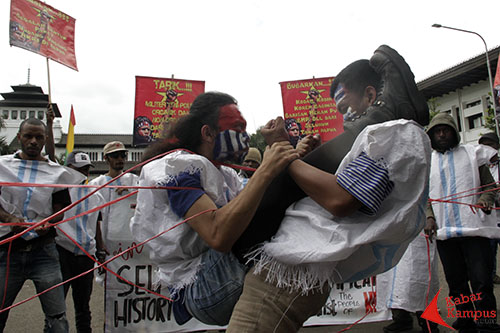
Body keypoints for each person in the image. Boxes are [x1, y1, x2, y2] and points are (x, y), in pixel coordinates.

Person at [227, 45, 431, 332]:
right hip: (287, 266)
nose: (345, 118)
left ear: (372, 96)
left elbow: (340, 198)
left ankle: (387, 109)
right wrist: (297, 157)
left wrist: (281, 154)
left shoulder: (392, 133)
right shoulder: (373, 139)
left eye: (347, 108)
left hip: (286, 273)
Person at [130, 92, 298, 326]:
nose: (246, 138)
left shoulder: (226, 174)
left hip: (218, 280)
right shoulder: (177, 168)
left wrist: (293, 155)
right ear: (208, 133)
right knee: (280, 190)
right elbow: (217, 234)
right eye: (237, 128)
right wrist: (267, 170)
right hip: (203, 287)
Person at [0, 118, 85, 332]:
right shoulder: (2, 166)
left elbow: (60, 207)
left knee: (57, 318)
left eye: (39, 137)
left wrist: (47, 222)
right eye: (28, 136)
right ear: (19, 137)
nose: (33, 141)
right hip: (7, 250)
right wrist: (9, 219)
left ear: (45, 139)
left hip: (44, 252)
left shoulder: (55, 172)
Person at [425, 113, 500, 332]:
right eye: (437, 131)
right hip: (445, 232)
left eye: (445, 130)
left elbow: (490, 186)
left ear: (454, 133)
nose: (441, 134)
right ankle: (465, 319)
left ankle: (486, 322)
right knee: (456, 282)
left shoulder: (471, 154)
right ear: (431, 135)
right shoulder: (428, 162)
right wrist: (429, 217)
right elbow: (425, 197)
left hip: (474, 229)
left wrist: (484, 200)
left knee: (481, 280)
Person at [55, 151, 105, 333]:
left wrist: (100, 248)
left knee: (83, 304)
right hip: (63, 251)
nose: (83, 174)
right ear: (68, 169)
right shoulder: (60, 189)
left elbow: (96, 222)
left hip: (85, 255)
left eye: (86, 170)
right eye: (78, 169)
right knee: (56, 305)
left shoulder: (94, 193)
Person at [89, 141, 138, 281]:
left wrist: (132, 191)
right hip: (106, 240)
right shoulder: (96, 184)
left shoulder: (134, 181)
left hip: (129, 241)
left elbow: (150, 199)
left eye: (123, 155)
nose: (120, 159)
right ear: (106, 159)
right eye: (115, 156)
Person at [377, 233, 440, 333]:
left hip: (418, 232)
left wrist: (429, 217)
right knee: (395, 282)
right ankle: (402, 319)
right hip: (395, 233)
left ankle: (428, 323)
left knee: (419, 277)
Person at [478, 132, 500, 285]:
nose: (487, 148)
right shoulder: (479, 167)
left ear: (497, 147)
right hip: (489, 216)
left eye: (490, 145)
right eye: (484, 146)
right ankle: (491, 275)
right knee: (489, 251)